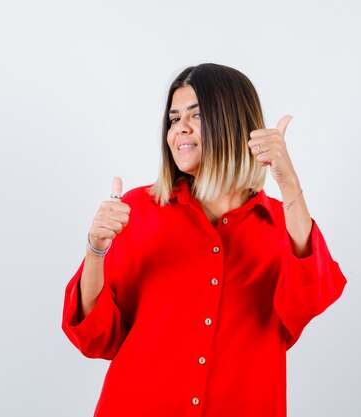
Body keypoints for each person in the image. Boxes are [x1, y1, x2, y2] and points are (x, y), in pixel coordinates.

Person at [62, 63, 346, 417]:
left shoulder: (280, 224)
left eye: (196, 115)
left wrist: (288, 181)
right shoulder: (136, 210)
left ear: (234, 122)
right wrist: (96, 250)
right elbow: (95, 339)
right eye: (173, 118)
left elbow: (311, 298)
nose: (180, 128)